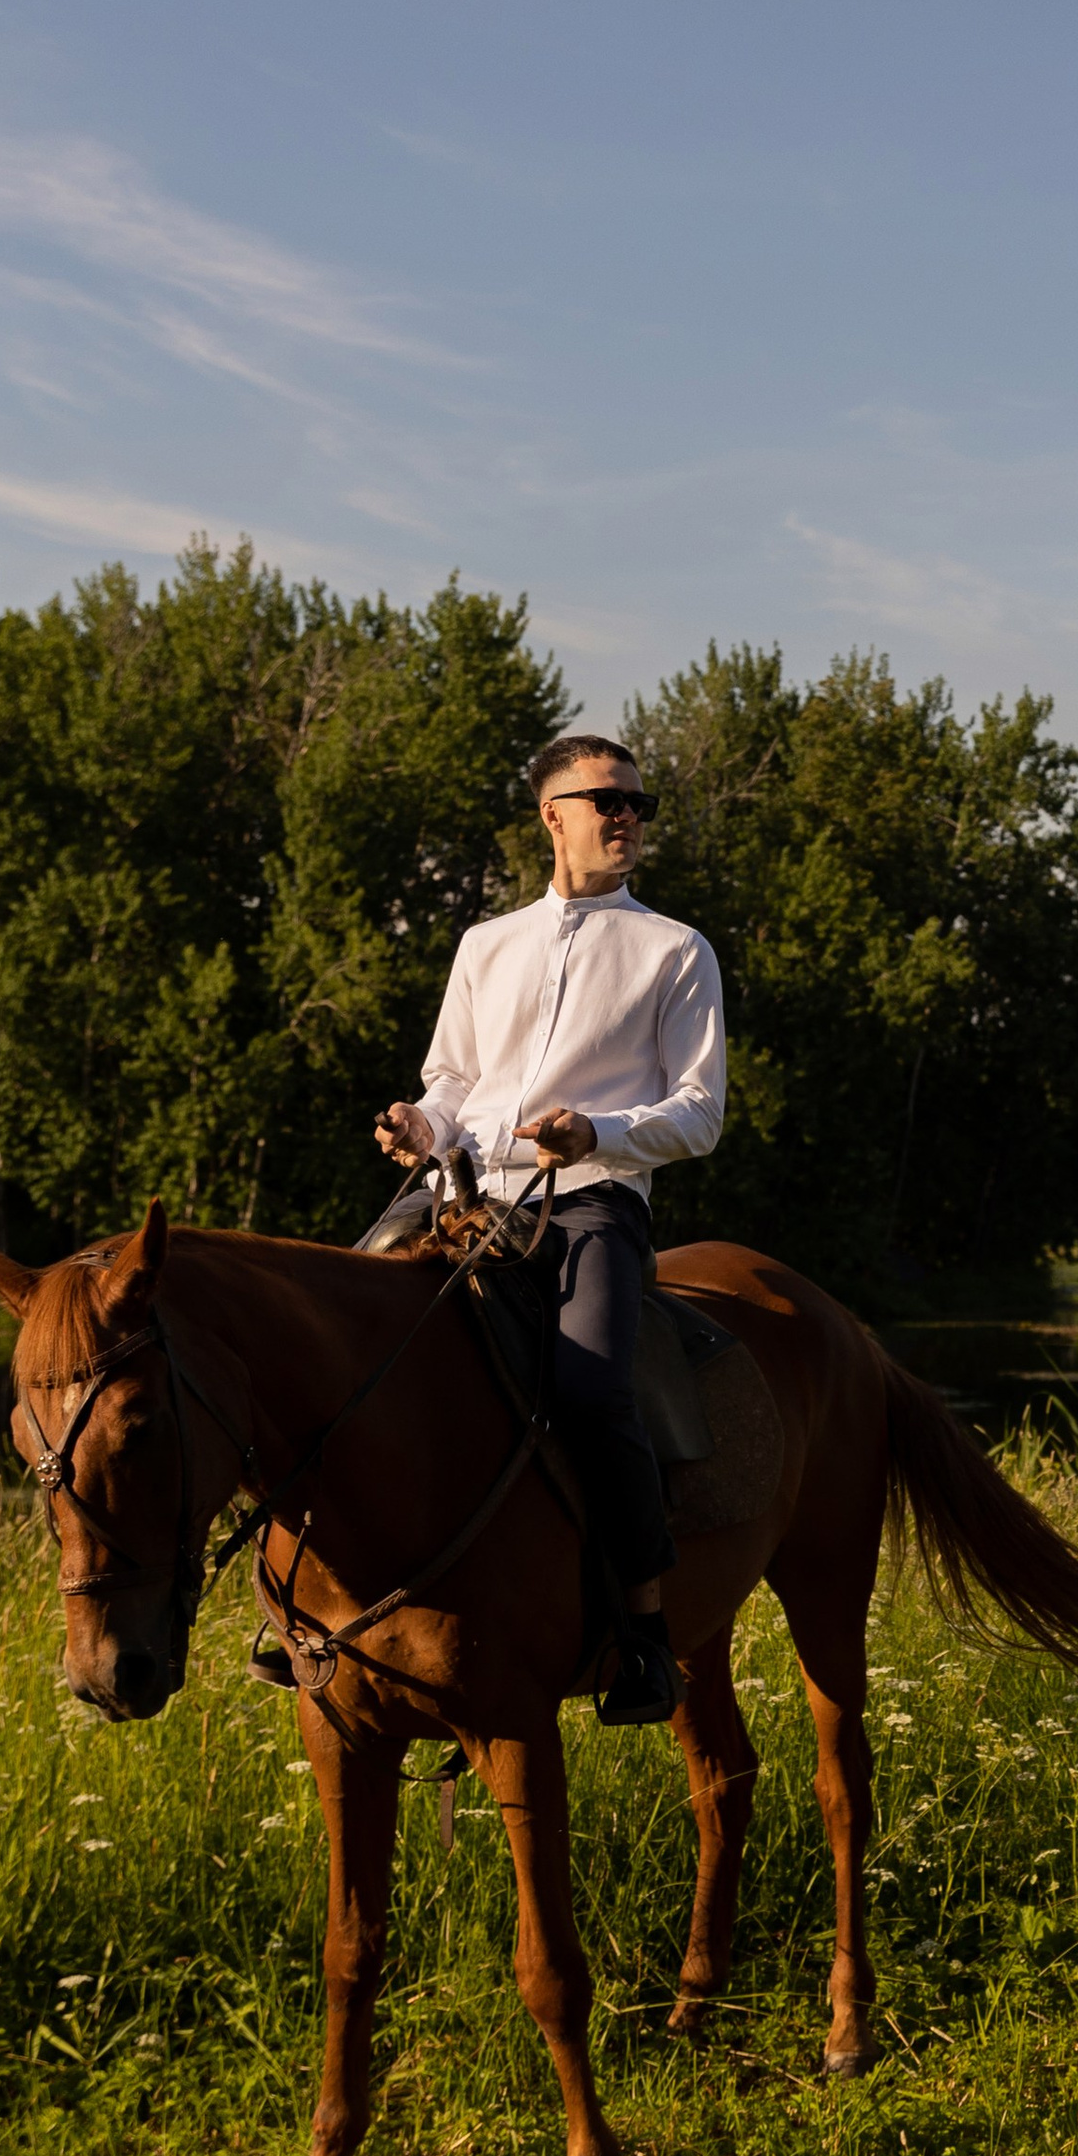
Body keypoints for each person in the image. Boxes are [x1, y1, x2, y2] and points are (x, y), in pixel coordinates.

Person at [372, 733, 726, 1724]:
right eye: (606, 799)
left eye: (637, 804)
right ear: (551, 814)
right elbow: (451, 1083)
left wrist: (598, 1132)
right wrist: (418, 1123)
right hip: (456, 1193)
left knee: (590, 1384)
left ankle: (644, 1635)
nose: (626, 817)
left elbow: (700, 1111)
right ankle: (317, 1607)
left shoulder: (674, 949)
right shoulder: (486, 943)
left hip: (590, 1201)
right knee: (332, 1341)